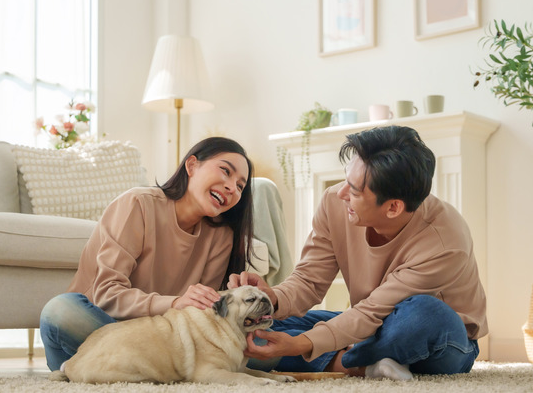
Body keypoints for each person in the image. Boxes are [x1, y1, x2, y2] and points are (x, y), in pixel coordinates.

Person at [229, 125, 488, 379]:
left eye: (353, 190)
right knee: (255, 327)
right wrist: (272, 298)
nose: (340, 193)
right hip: (371, 321)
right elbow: (309, 280)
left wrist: (302, 344)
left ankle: (345, 361)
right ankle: (367, 361)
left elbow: (371, 314)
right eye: (346, 179)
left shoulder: (444, 241)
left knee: (424, 316)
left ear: (393, 207)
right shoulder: (334, 202)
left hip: (442, 340)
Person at [40, 137, 254, 371]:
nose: (232, 187)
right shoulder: (138, 204)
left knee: (262, 343)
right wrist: (175, 303)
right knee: (61, 310)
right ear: (192, 166)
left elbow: (201, 319)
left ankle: (145, 368)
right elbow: (107, 295)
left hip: (163, 344)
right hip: (100, 330)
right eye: (225, 171)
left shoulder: (221, 235)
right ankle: (143, 367)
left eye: (240, 186)